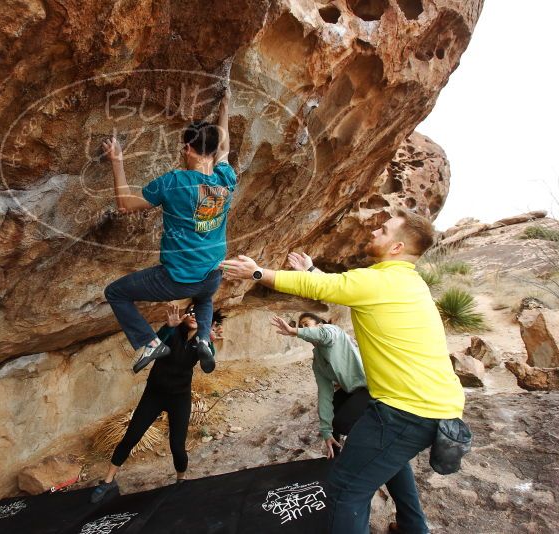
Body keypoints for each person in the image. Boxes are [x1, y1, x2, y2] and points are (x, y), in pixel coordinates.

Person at [221, 209, 465, 534]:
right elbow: (340, 286)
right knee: (389, 462)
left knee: (345, 488)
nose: (375, 231)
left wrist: (256, 273)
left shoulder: (379, 280)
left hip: (405, 411)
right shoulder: (408, 282)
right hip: (435, 407)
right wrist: (311, 268)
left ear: (396, 248)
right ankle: (413, 527)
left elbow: (321, 287)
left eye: (384, 230)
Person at [102, 87, 236, 374]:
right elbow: (224, 147)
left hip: (178, 278)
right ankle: (202, 337)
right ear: (212, 152)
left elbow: (125, 204)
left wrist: (117, 161)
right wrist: (224, 108)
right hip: (212, 274)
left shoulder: (174, 182)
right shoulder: (226, 177)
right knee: (203, 296)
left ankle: (149, 342)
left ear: (187, 148)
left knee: (115, 292)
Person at [91, 304, 220, 503]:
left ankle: (180, 482)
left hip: (180, 398)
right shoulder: (172, 331)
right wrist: (168, 327)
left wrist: (208, 343)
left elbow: (208, 366)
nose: (194, 316)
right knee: (131, 436)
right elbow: (154, 344)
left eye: (199, 314)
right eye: (191, 311)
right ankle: (107, 482)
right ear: (184, 314)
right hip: (154, 394)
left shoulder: (201, 341)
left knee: (177, 446)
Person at [271, 312, 369, 459]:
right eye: (301, 326)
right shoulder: (318, 362)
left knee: (342, 423)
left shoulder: (332, 332)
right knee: (331, 420)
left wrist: (294, 331)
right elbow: (324, 394)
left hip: (369, 388)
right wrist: (326, 432)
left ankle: (369, 448)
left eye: (306, 325)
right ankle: (334, 457)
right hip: (350, 390)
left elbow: (323, 334)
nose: (303, 328)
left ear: (319, 325)